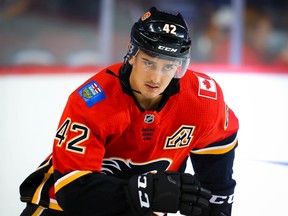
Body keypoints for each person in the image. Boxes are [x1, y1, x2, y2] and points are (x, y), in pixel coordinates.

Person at [19, 7, 239, 216]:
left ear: (180, 66)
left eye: (168, 67)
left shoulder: (202, 100)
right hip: (61, 209)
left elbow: (217, 181)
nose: (156, 78)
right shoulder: (92, 101)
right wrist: (148, 194)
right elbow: (73, 191)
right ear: (132, 53)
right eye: (149, 62)